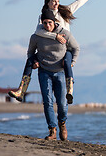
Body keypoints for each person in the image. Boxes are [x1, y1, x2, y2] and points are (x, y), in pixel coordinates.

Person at [8, 0, 100, 104]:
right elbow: (39, 32)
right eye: (53, 1)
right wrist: (55, 36)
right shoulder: (43, 17)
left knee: (67, 60)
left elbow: (79, 2)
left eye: (57, 1)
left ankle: (70, 91)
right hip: (47, 50)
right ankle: (21, 91)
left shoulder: (64, 12)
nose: (57, 3)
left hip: (65, 48)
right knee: (30, 60)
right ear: (47, 3)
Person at [29, 9, 80, 140]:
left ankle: (62, 123)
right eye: (45, 23)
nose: (47, 26)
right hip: (44, 72)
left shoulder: (64, 34)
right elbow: (30, 53)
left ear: (55, 22)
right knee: (48, 102)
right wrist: (34, 62)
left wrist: (72, 63)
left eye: (50, 22)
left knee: (62, 103)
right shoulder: (36, 36)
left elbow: (76, 48)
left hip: (60, 73)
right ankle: (52, 130)